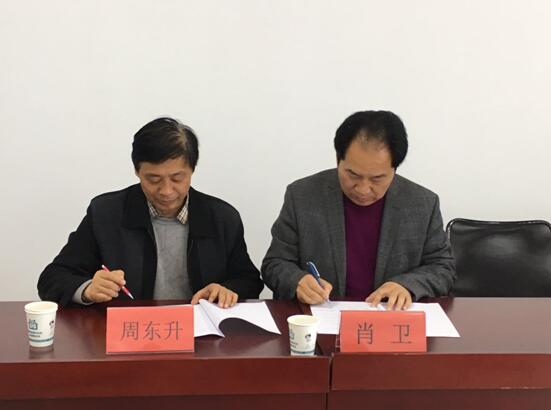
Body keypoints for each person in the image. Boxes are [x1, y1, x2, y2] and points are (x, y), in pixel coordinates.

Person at [38, 117, 263, 307]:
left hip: (200, 334)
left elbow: (249, 280)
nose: (166, 191)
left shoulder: (222, 218)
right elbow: (52, 278)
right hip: (131, 333)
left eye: (177, 178)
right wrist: (87, 289)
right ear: (137, 171)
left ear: (192, 170)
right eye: (154, 179)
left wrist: (227, 289)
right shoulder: (106, 214)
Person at [262, 110, 455, 310]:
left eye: (377, 178)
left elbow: (443, 268)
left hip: (388, 319)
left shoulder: (422, 204)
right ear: (338, 160)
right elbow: (275, 263)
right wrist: (297, 280)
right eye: (352, 175)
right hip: (323, 318)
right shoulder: (302, 196)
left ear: (394, 169)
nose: (363, 189)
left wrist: (407, 285)